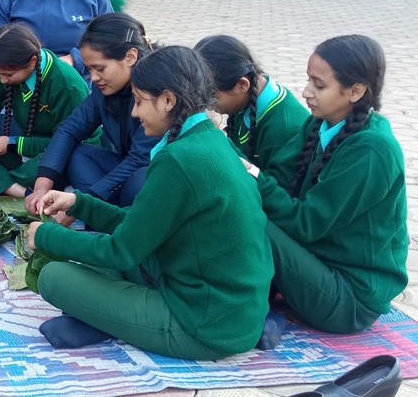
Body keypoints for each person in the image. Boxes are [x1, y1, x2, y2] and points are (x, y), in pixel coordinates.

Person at [27, 46, 274, 360]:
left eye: (140, 101)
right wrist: (78, 203)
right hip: (234, 310)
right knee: (91, 257)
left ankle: (109, 323)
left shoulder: (179, 159)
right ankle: (107, 320)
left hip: (205, 327)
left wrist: (45, 235)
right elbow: (140, 226)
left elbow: (121, 251)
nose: (134, 112)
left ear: (168, 100)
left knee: (55, 277)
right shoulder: (209, 138)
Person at [250, 35, 407, 334]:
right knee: (243, 202)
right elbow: (281, 188)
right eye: (308, 80)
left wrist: (250, 175)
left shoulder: (373, 150)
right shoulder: (319, 125)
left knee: (254, 220)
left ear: (355, 91)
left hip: (350, 300)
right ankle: (250, 304)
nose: (306, 92)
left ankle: (248, 315)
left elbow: (305, 223)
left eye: (319, 85)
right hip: (319, 266)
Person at [26, 12, 159, 215]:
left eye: (100, 68)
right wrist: (41, 186)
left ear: (130, 57)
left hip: (154, 176)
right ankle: (105, 212)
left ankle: (110, 215)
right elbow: (70, 129)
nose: (94, 78)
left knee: (141, 179)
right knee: (77, 154)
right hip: (125, 170)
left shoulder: (157, 91)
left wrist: (82, 203)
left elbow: (141, 159)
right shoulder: (104, 88)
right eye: (89, 69)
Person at [0, 23, 90, 197]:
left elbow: (66, 142)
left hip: (64, 152)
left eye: (8, 75)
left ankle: (5, 183)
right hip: (25, 144)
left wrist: (13, 143)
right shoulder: (5, 67)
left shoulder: (67, 86)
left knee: (30, 174)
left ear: (33, 61)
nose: (2, 80)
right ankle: (21, 192)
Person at [195, 34, 308, 182]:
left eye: (210, 96)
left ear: (242, 85)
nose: (206, 105)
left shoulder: (286, 128)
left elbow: (277, 195)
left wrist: (219, 142)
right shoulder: (245, 102)